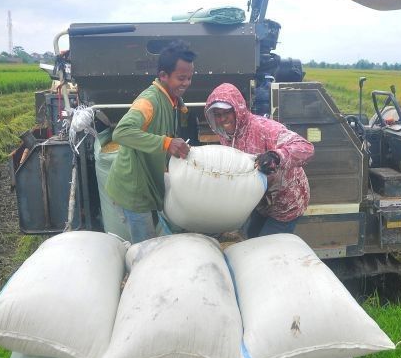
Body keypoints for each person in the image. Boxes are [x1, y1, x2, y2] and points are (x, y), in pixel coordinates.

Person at [105, 40, 195, 243]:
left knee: (158, 238)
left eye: (189, 78)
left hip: (150, 184)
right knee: (146, 249)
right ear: (163, 75)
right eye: (181, 78)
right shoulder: (149, 101)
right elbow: (121, 132)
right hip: (134, 191)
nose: (186, 83)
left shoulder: (172, 100)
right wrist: (166, 143)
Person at [205, 83, 314, 237]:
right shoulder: (226, 135)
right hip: (260, 202)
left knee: (266, 248)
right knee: (250, 237)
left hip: (286, 202)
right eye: (217, 114)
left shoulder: (265, 129)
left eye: (227, 112)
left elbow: (305, 148)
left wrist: (276, 156)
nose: (222, 119)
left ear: (238, 110)